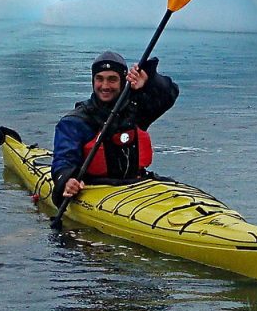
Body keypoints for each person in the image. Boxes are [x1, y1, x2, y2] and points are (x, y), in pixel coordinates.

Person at [51, 51, 179, 204]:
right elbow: (63, 159)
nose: (105, 86)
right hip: (96, 188)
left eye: (112, 79)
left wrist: (148, 80)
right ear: (93, 81)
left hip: (138, 185)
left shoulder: (136, 110)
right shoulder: (76, 121)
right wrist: (66, 179)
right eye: (99, 79)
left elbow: (169, 93)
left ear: (123, 81)